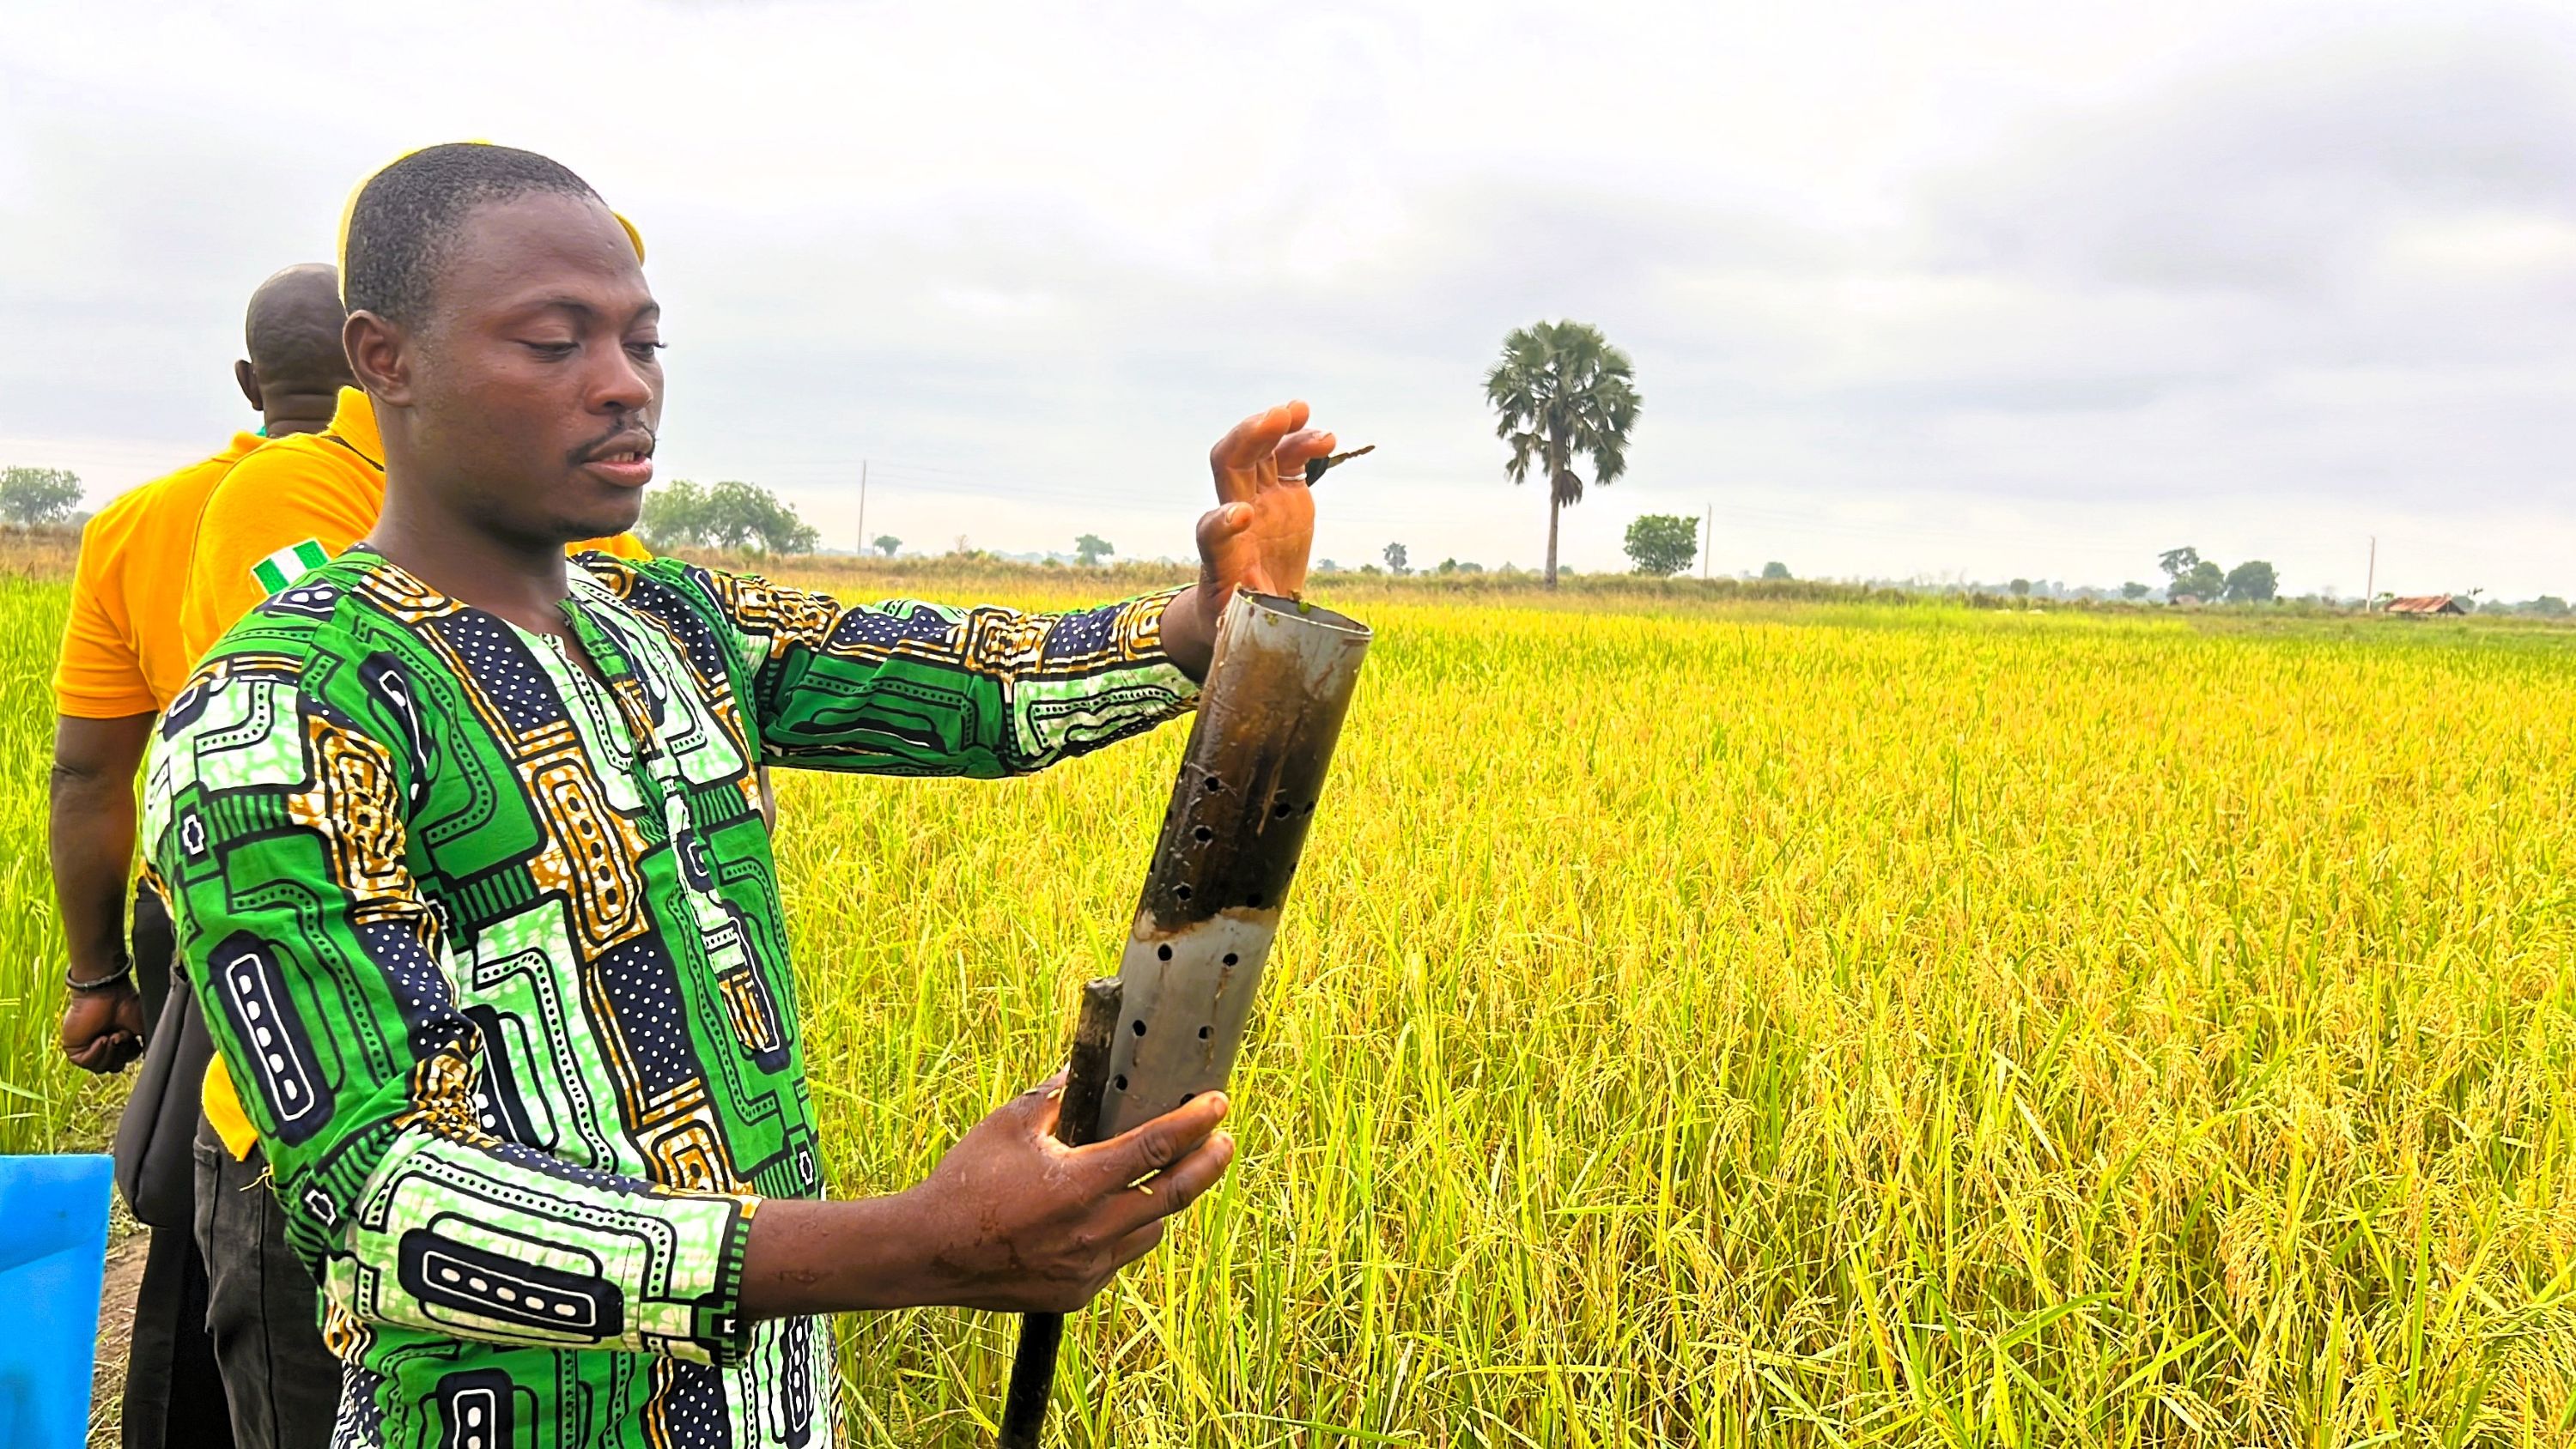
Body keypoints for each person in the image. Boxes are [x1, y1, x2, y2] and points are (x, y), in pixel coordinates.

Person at [146, 142, 1334, 1444]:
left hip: (769, 1409)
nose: (622, 387)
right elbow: (384, 1204)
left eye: (643, 343)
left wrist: (1203, 621)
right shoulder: (283, 709)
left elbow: (975, 687)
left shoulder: (667, 621)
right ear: (387, 360)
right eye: (555, 344)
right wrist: (915, 1247)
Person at [50, 262, 351, 1449]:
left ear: (247, 380)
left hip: (208, 920)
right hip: (417, 932)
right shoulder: (463, 506)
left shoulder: (147, 520)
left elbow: (90, 773)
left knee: (205, 1203)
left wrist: (96, 981)